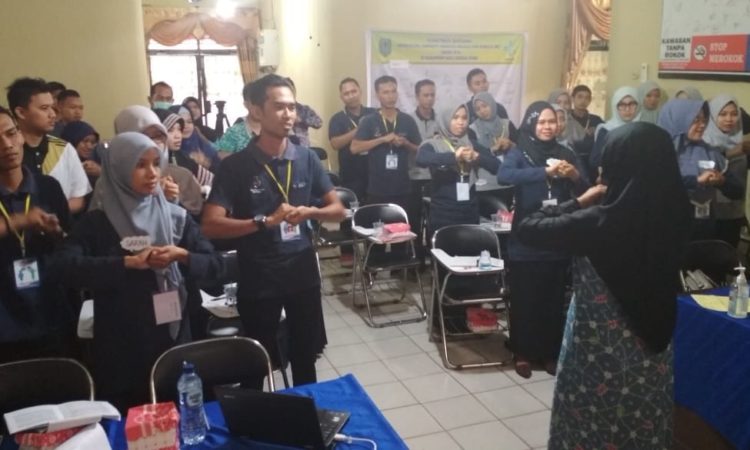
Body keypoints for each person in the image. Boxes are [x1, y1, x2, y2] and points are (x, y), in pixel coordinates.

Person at [516, 122, 692, 449]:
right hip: (651, 347)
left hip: (598, 352)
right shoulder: (679, 215)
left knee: (593, 425)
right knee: (641, 421)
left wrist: (580, 201)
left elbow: (528, 227)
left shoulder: (598, 223)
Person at [55, 132, 222, 411]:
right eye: (140, 165)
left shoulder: (175, 217)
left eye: (156, 163)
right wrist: (126, 264)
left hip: (173, 338)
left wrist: (182, 255)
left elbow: (216, 265)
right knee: (131, 422)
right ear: (119, 168)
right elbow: (63, 268)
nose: (152, 173)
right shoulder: (97, 223)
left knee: (178, 413)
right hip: (121, 344)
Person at [201, 74, 345, 386]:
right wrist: (263, 222)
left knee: (305, 356)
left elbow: (338, 210)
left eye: (292, 107)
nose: (288, 114)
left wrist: (310, 212)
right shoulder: (235, 166)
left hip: (302, 273)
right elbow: (211, 225)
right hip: (259, 276)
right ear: (256, 110)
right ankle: (257, 414)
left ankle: (306, 412)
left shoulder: (306, 157)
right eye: (279, 107)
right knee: (257, 361)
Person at [497, 101, 588, 378]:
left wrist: (573, 175)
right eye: (542, 122)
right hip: (527, 234)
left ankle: (549, 352)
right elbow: (504, 175)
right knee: (526, 297)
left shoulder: (565, 152)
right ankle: (523, 352)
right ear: (531, 124)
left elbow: (586, 189)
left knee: (553, 297)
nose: (548, 127)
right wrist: (544, 172)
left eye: (552, 122)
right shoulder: (520, 151)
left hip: (557, 234)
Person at [0, 106, 74, 364]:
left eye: (11, 134)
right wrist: (19, 221)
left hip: (51, 313)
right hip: (5, 322)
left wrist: (56, 233)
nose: (7, 145)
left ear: (21, 135)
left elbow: (70, 243)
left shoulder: (48, 187)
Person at [658, 99, 743, 240]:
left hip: (703, 230)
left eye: (704, 120)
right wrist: (696, 181)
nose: (702, 125)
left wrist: (721, 181)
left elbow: (737, 191)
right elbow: (658, 185)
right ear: (679, 120)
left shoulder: (710, 152)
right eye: (695, 120)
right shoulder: (660, 153)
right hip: (668, 229)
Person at [6, 77, 91, 214]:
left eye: (53, 108)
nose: (52, 114)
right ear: (21, 112)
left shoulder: (64, 149)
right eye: (44, 108)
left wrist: (48, 215)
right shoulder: (7, 151)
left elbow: (78, 198)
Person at [416, 104, 499, 234]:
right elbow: (421, 159)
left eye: (464, 118)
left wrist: (477, 157)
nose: (461, 122)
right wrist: (454, 157)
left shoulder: (471, 144)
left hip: (470, 211)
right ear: (445, 119)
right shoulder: (433, 144)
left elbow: (497, 167)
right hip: (443, 213)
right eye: (455, 118)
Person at [351, 75, 421, 211]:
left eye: (393, 91)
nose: (391, 96)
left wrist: (406, 143)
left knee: (402, 223)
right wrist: (382, 140)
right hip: (377, 188)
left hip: (403, 187)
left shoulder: (407, 120)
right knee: (377, 223)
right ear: (377, 95)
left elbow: (419, 150)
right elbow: (354, 148)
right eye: (386, 92)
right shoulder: (369, 121)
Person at [702, 95, 746, 247]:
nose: (729, 119)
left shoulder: (741, 141)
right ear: (713, 116)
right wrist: (731, 153)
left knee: (729, 253)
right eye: (723, 114)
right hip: (710, 213)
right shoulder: (704, 141)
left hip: (734, 211)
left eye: (734, 114)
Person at [328, 77, 376, 202]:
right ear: (341, 97)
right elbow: (335, 144)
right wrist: (359, 129)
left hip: (375, 173)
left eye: (354, 91)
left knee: (375, 211)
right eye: (346, 93)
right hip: (351, 175)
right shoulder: (337, 118)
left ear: (360, 91)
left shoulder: (374, 114)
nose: (351, 96)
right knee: (352, 211)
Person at [470, 92, 514, 211]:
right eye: (478, 109)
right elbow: (473, 156)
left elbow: (522, 150)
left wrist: (510, 145)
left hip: (508, 181)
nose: (482, 111)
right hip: (485, 185)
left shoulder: (507, 124)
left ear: (492, 104)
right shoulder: (472, 129)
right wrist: (492, 149)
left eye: (485, 106)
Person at [155, 109, 213, 189]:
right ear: (157, 134)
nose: (178, 136)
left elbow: (212, 181)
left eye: (179, 129)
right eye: (170, 130)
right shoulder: (152, 162)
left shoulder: (181, 157)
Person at [589, 86, 641, 177]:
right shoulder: (606, 130)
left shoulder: (643, 129)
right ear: (615, 106)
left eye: (632, 104)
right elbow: (595, 160)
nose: (627, 109)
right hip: (614, 178)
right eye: (622, 105)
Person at [60, 120, 101, 213]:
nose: (89, 146)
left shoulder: (93, 165)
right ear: (72, 140)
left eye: (93, 142)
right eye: (85, 141)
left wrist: (100, 172)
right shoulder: (58, 165)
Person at [215, 81, 261, 158]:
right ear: (246, 104)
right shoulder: (234, 132)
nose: (259, 107)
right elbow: (223, 158)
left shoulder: (275, 129)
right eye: (254, 103)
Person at [567, 84, 604, 177]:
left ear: (590, 100)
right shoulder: (566, 119)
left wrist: (597, 130)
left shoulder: (596, 120)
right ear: (572, 98)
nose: (583, 101)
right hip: (571, 161)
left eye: (587, 98)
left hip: (591, 163)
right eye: (580, 97)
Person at [171, 105, 221, 172]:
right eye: (181, 123)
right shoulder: (169, 152)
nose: (186, 126)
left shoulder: (201, 143)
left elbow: (221, 171)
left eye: (189, 122)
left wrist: (206, 164)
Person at [285, 78, 323, 147]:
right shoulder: (278, 111)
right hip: (284, 147)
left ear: (294, 91)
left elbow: (319, 123)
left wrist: (301, 119)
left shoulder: (303, 109)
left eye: (291, 90)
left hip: (303, 147)